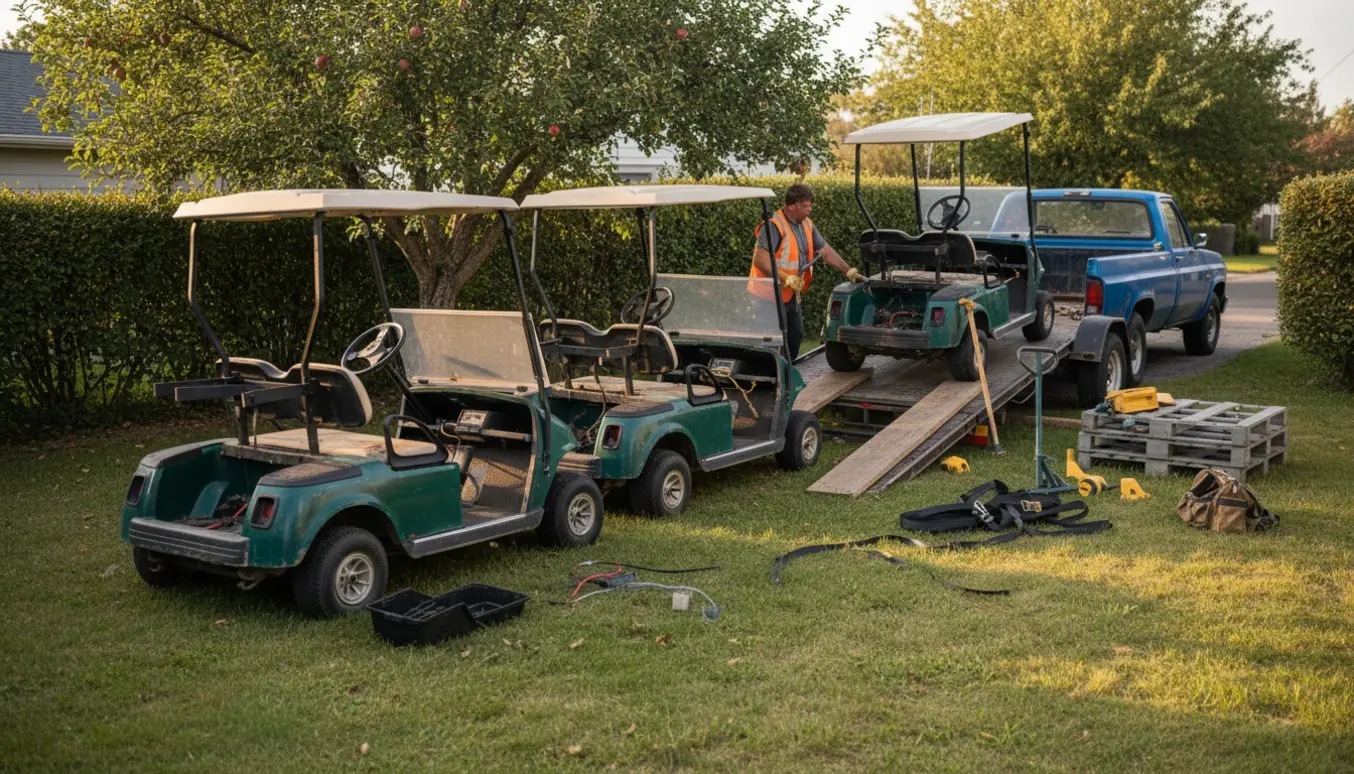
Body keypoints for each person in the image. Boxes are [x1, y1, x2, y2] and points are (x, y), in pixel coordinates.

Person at [749, 183, 863, 360]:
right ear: (791, 206)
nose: (809, 209)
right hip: (767, 296)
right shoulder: (774, 226)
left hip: (790, 294)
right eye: (805, 205)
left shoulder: (807, 225)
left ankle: (786, 372)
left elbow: (826, 251)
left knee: (795, 335)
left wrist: (849, 272)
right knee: (771, 341)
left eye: (810, 205)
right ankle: (770, 378)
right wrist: (786, 278)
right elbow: (760, 259)